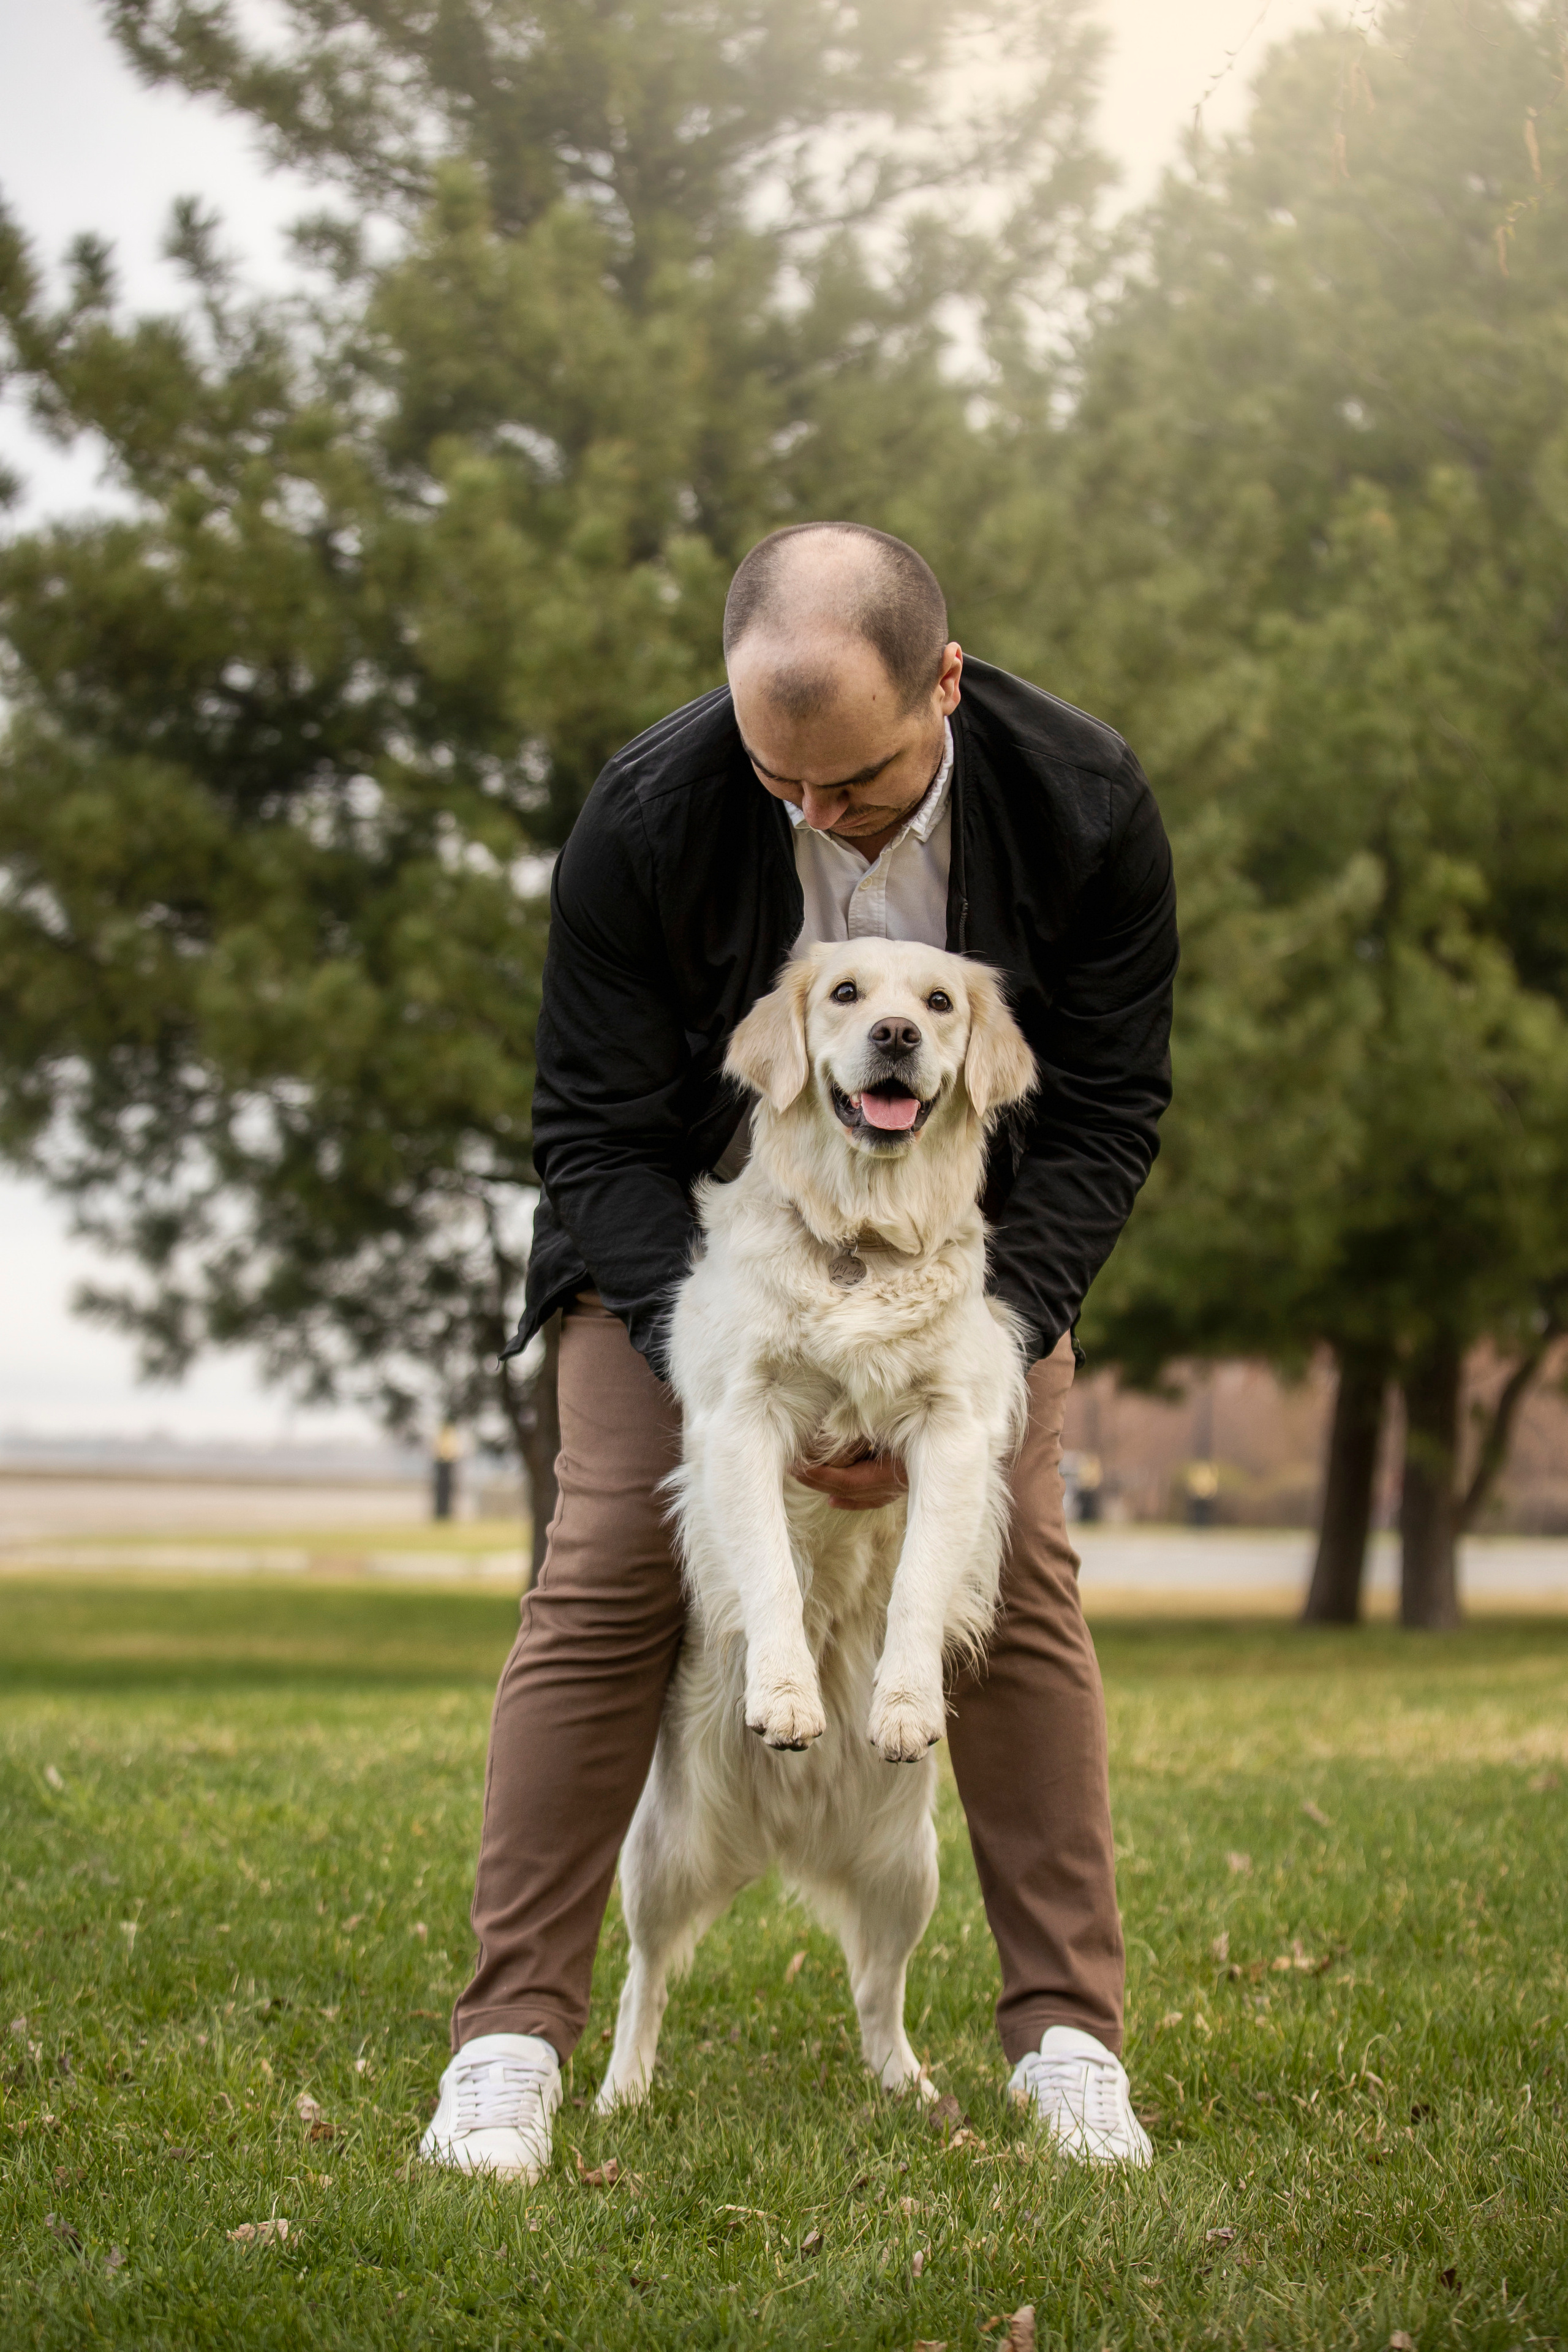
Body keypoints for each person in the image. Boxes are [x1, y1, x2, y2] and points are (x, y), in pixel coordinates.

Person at [420, 522, 1178, 2181]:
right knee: (613, 1553)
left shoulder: (1089, 802)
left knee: (1024, 1574)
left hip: (962, 1262)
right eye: (781, 779)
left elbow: (1111, 1105)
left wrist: (989, 1322)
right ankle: (509, 2046)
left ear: (947, 686)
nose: (812, 815)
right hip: (695, 1255)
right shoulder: (647, 812)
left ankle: (1067, 2040)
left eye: (854, 782)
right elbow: (593, 1131)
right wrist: (730, 1351)